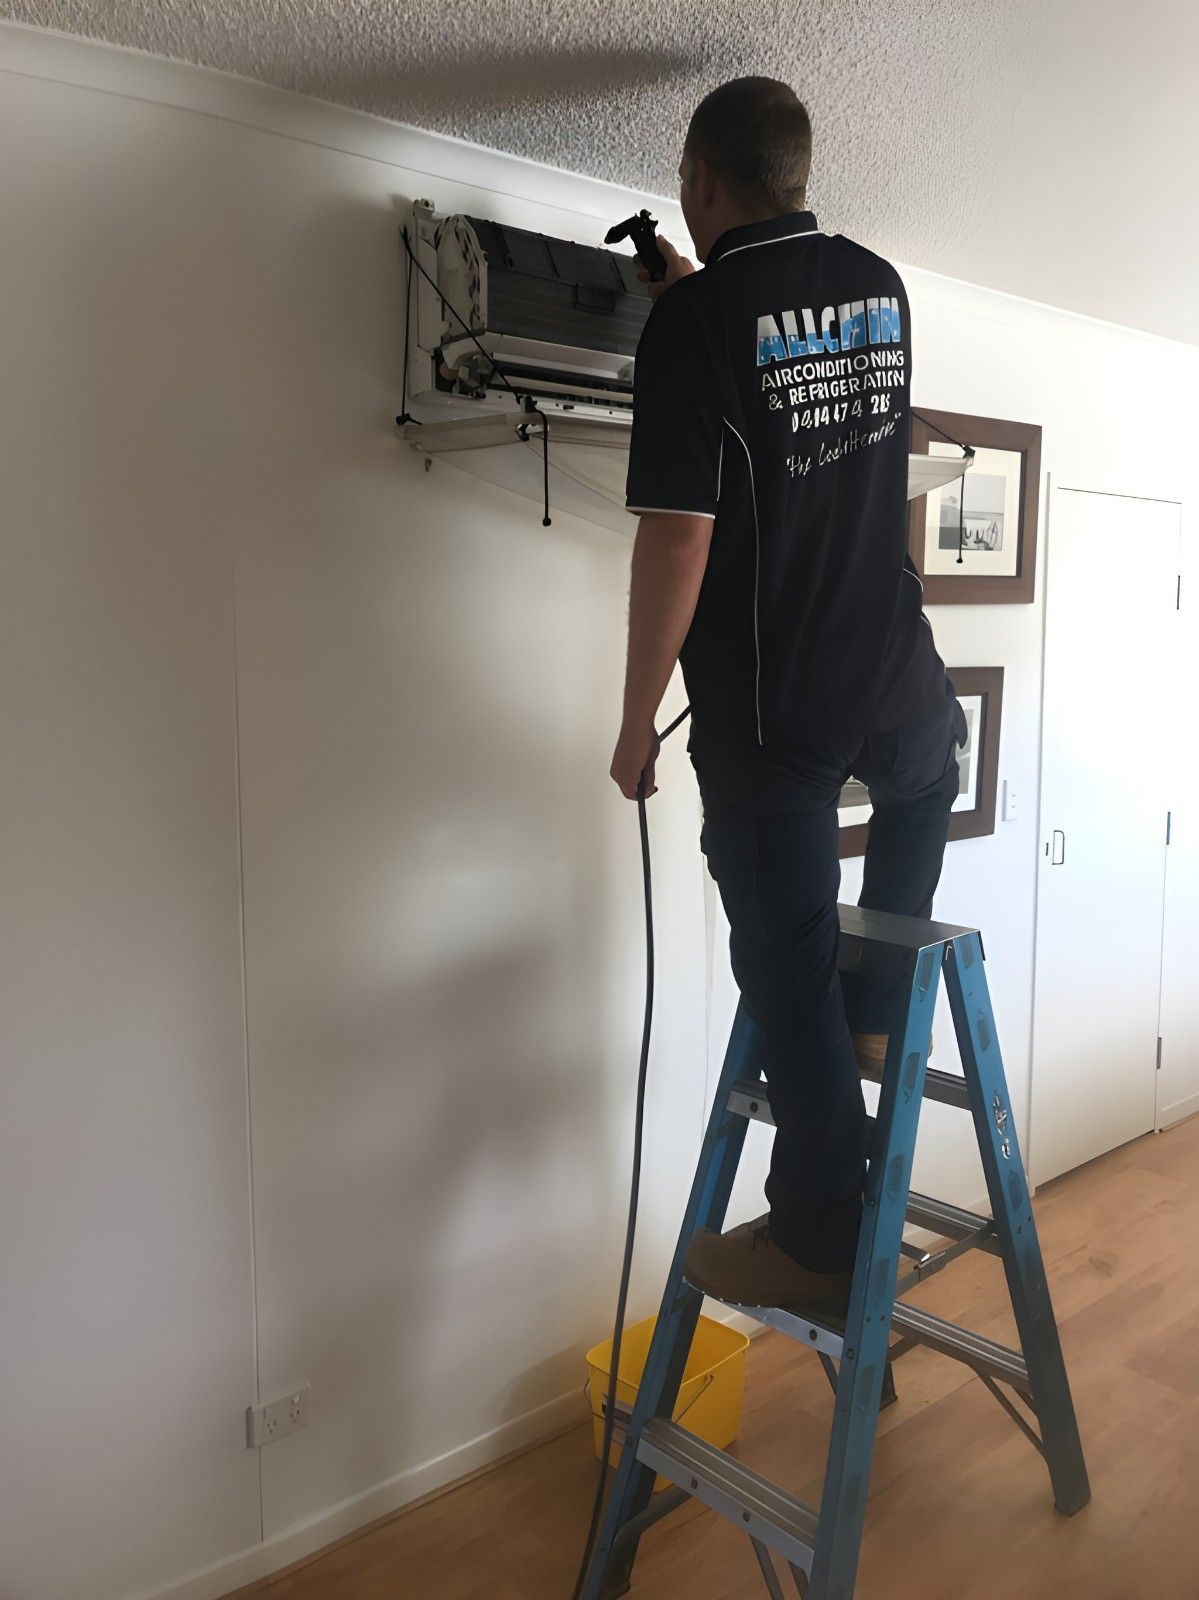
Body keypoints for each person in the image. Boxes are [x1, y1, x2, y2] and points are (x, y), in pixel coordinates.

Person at [609, 76, 966, 1317]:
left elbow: (676, 541)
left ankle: (817, 1232)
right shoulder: (879, 285)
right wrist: (693, 303)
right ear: (797, 172)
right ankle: (879, 1012)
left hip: (770, 697)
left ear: (699, 184)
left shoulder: (692, 326)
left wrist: (632, 718)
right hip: (885, 658)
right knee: (932, 772)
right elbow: (796, 385)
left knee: (782, 952)